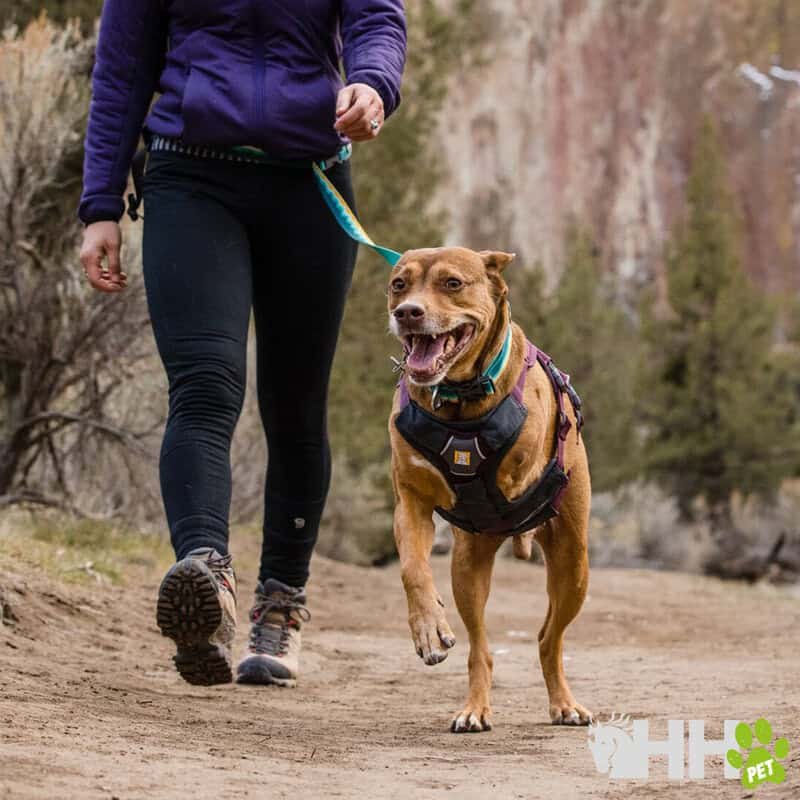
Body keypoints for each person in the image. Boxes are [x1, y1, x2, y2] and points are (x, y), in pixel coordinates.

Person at [78, 1, 407, 687]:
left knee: (295, 400)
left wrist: (373, 83)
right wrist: (100, 204)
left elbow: (377, 18)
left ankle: (280, 604)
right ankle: (206, 578)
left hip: (309, 181)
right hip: (190, 177)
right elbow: (121, 68)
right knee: (204, 384)